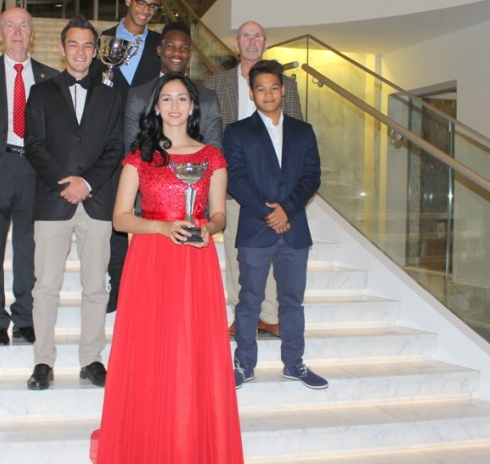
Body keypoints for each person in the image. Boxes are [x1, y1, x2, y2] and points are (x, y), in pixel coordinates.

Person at [91, 73, 243, 463]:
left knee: (193, 351)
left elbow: (220, 214)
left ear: (193, 107)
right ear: (156, 108)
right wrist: (160, 227)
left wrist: (208, 228)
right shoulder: (139, 156)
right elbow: (120, 218)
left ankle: (190, 444)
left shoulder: (212, 158)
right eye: (166, 99)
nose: (174, 106)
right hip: (150, 261)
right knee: (149, 352)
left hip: (195, 261)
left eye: (182, 99)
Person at [23, 16, 124, 390]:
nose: (80, 51)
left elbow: (115, 147)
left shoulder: (110, 96)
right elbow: (34, 145)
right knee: (46, 286)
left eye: (87, 45)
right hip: (54, 201)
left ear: (95, 51)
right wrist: (64, 183)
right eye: (73, 44)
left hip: (96, 201)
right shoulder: (41, 92)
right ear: (62, 48)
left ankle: (91, 359)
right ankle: (43, 361)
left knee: (96, 286)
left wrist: (87, 182)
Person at [224, 59, 327, 390]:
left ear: (283, 90)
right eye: (260, 89)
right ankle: (244, 364)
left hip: (294, 229)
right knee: (249, 300)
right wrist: (268, 212)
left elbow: (312, 176)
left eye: (273, 87)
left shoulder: (303, 131)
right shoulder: (237, 132)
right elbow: (235, 179)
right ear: (251, 94)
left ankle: (294, 364)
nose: (267, 94)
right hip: (255, 228)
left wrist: (288, 210)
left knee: (292, 302)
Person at [0, 7, 57, 346]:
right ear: (0, 33)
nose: (17, 32)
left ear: (32, 33)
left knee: (28, 251)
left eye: (24, 26)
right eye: (10, 26)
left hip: (33, 172)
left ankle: (25, 318)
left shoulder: (50, 78)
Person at [205, 21, 303, 339]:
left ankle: (270, 316)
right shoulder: (215, 84)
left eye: (257, 36)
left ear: (265, 42)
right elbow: (209, 135)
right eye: (245, 36)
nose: (251, 41)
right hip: (234, 187)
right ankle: (242, 315)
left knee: (274, 252)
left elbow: (296, 134)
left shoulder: (286, 85)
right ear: (236, 44)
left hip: (276, 190)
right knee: (238, 255)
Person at [91, 0, 163, 314]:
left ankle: (151, 287)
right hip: (108, 147)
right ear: (128, 1)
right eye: (142, 1)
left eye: (154, 5)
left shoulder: (161, 45)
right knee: (116, 220)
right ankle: (117, 287)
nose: (146, 9)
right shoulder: (102, 40)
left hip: (151, 147)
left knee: (152, 216)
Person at [123, 21, 223, 152]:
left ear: (190, 54)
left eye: (184, 48)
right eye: (170, 46)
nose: (177, 53)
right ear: (160, 50)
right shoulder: (139, 96)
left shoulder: (207, 98)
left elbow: (215, 151)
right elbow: (132, 150)